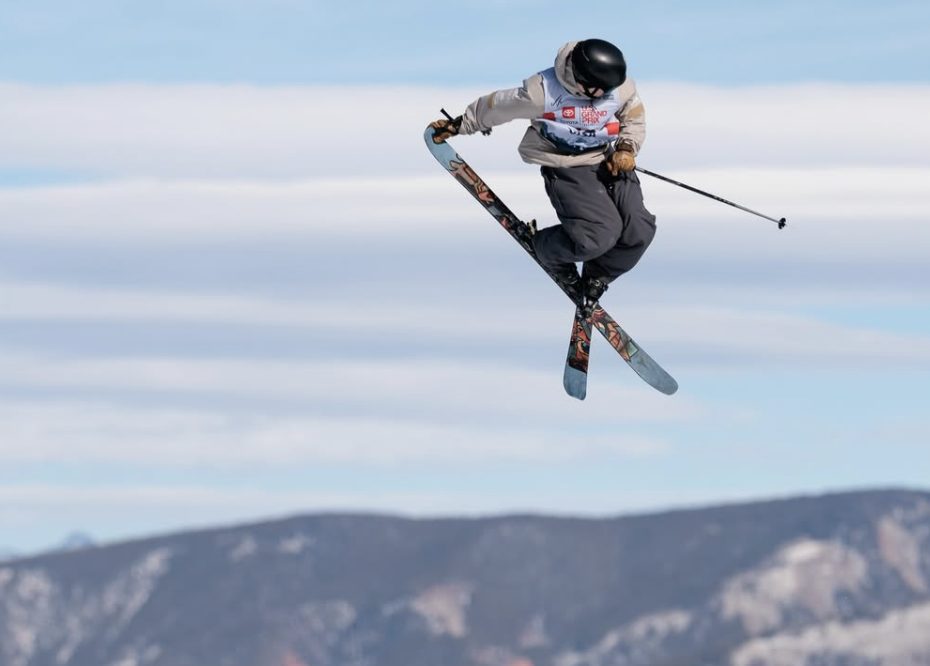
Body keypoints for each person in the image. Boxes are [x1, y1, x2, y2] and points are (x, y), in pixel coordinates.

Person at [431, 39, 657, 307]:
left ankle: (598, 276)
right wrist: (461, 124)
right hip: (568, 166)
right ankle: (548, 250)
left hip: (607, 159)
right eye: (599, 90)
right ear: (582, 79)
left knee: (639, 230)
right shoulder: (543, 92)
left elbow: (633, 115)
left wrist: (627, 148)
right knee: (597, 237)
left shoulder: (617, 88)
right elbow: (498, 105)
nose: (605, 95)